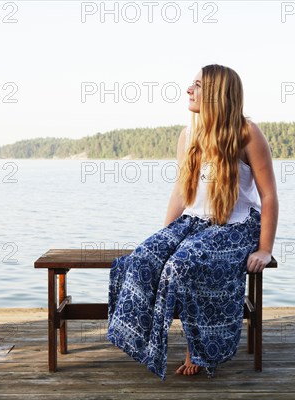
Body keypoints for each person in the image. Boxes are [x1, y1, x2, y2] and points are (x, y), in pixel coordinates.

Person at [107, 64, 279, 380]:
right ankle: (143, 340)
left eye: (197, 85)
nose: (188, 89)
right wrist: (166, 235)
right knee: (145, 257)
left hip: (235, 227)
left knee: (181, 265)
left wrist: (265, 249)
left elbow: (268, 196)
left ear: (216, 93)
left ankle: (198, 349)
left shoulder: (247, 133)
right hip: (191, 222)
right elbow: (179, 192)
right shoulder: (188, 135)